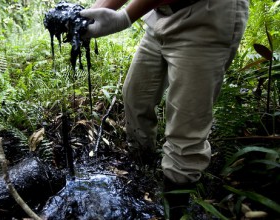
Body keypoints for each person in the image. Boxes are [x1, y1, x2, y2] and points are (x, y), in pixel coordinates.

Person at [80, 0, 249, 219]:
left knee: (186, 125)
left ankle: (175, 208)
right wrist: (94, 12)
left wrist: (126, 17)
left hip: (206, 17)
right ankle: (142, 165)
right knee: (136, 95)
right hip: (161, 14)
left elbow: (128, 15)